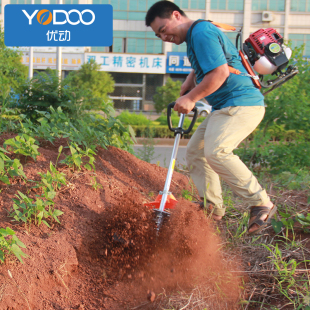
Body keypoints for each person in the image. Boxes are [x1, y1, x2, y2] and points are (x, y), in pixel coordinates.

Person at [145, 0, 277, 234]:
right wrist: (190, 78)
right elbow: (211, 61)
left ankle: (261, 203)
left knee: (216, 151)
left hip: (241, 103)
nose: (163, 37)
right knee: (196, 151)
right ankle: (213, 209)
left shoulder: (201, 31)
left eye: (163, 30)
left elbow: (219, 72)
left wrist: (191, 98)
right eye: (158, 35)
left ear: (176, 15)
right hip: (225, 106)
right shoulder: (196, 34)